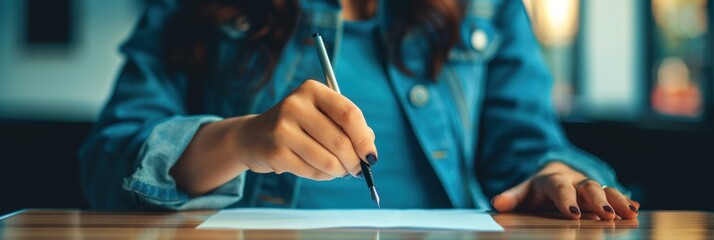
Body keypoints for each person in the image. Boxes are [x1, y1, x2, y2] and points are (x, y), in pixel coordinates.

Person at [80, 0, 639, 220]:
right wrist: (239, 141)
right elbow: (108, 162)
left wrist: (551, 174)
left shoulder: (487, 8)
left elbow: (525, 143)